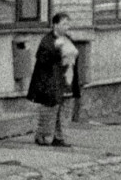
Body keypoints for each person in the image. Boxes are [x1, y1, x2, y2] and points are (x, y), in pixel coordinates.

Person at [27, 12, 81, 147]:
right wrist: (57, 51)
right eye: (64, 24)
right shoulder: (47, 40)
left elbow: (74, 55)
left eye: (68, 23)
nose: (67, 26)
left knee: (64, 110)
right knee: (50, 109)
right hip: (51, 81)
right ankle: (43, 137)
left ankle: (59, 137)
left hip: (67, 80)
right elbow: (43, 59)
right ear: (55, 25)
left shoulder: (68, 39)